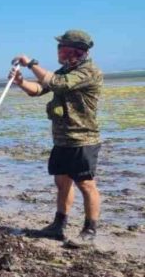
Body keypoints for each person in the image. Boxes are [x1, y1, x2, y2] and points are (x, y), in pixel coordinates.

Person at [11, 29, 103, 246]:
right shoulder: (64, 71)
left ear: (76, 50)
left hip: (83, 139)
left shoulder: (88, 72)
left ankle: (89, 230)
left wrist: (31, 63)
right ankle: (58, 225)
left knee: (86, 184)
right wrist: (21, 81)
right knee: (62, 183)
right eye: (59, 47)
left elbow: (57, 84)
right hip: (61, 139)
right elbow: (39, 89)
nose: (59, 51)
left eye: (62, 47)